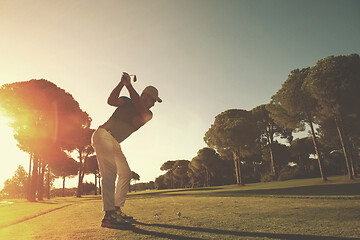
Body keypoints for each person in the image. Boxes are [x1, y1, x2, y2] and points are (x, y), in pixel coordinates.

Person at [91, 72, 162, 228]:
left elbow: (139, 105)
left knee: (125, 173)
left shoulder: (148, 114)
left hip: (115, 143)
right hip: (103, 135)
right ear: (146, 95)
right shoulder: (127, 101)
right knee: (109, 173)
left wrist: (129, 85)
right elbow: (110, 101)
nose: (154, 104)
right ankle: (108, 216)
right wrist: (122, 84)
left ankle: (116, 209)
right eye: (153, 100)